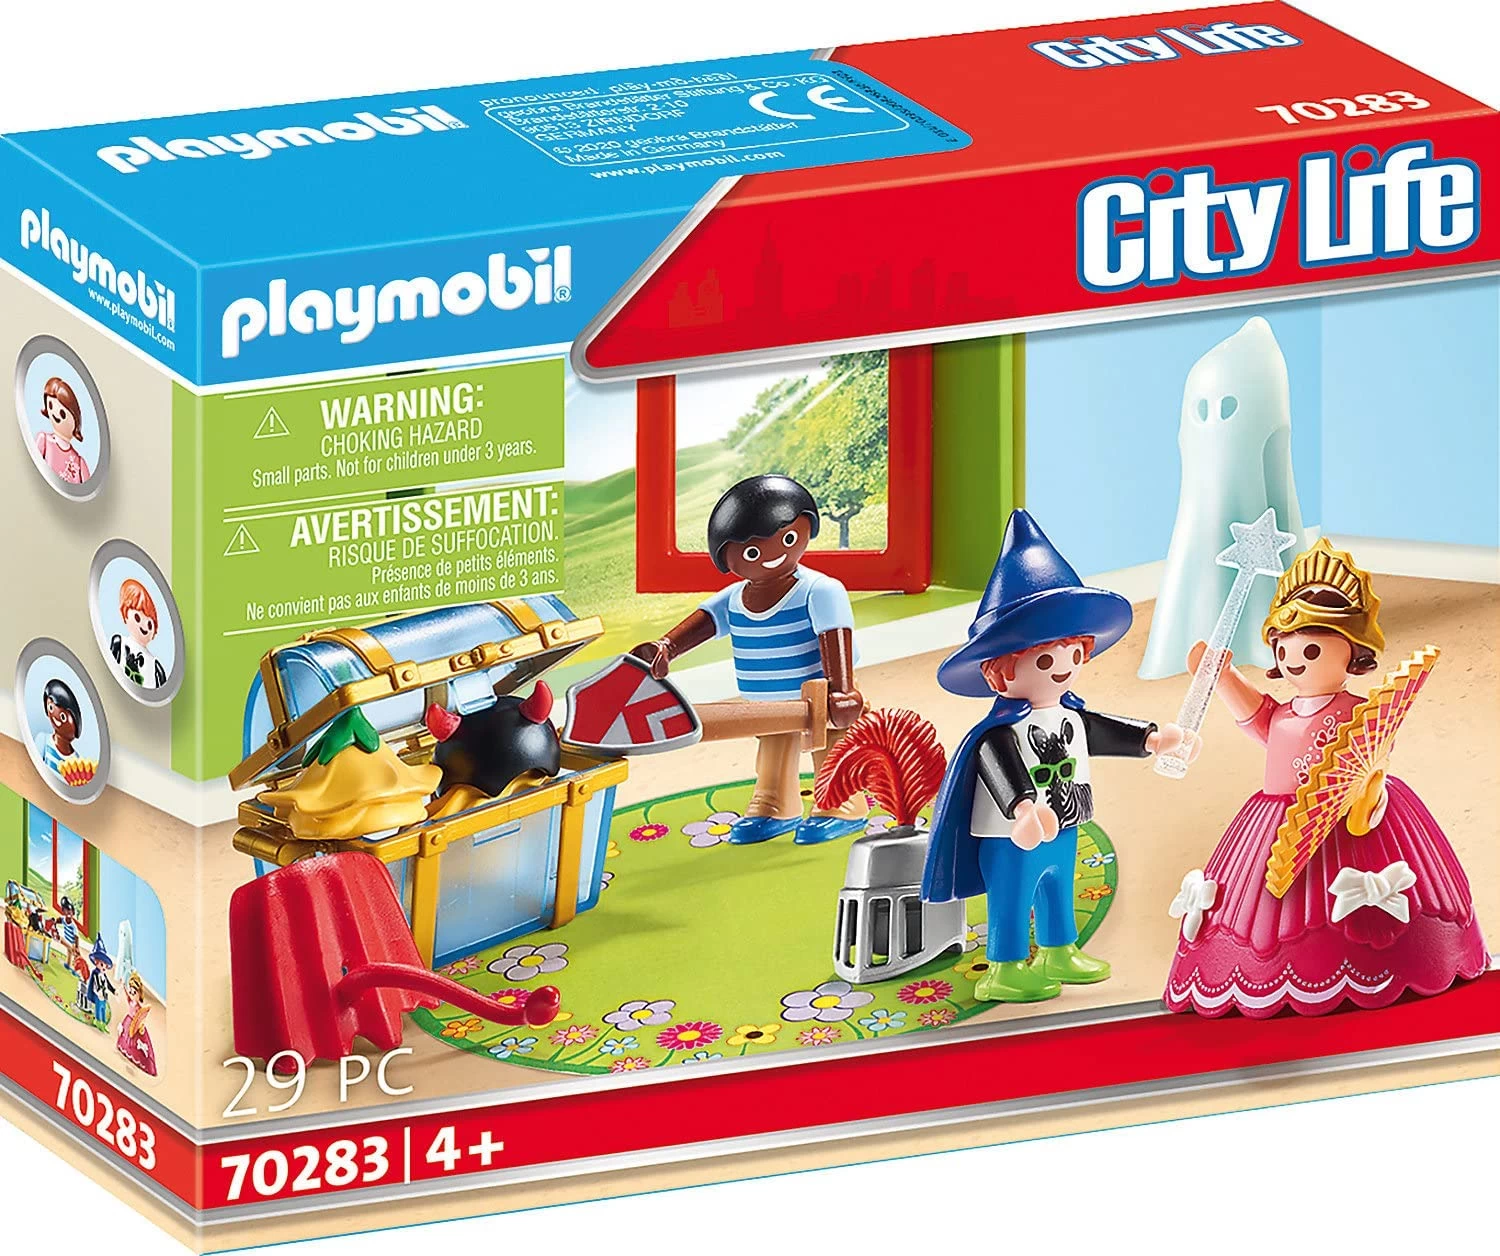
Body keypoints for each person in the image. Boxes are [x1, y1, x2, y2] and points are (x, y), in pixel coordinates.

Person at [1164, 539, 1488, 1017]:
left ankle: (1381, 967)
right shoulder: (1282, 715)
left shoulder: (1358, 712)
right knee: (1263, 910)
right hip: (1275, 821)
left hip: (1352, 814)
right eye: (1283, 648)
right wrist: (1222, 677)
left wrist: (1367, 794)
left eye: (1311, 648)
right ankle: (1266, 974)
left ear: (1351, 651)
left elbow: (1375, 749)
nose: (1293, 659)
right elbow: (1258, 716)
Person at [923, 510, 1196, 1003]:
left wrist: (1150, 738)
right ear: (1000, 672)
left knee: (1057, 887)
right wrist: (1023, 809)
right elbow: (1001, 769)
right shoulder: (999, 733)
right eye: (1046, 659)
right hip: (1013, 837)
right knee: (1013, 897)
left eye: (1074, 655)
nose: (1064, 668)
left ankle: (1058, 949)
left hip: (1066, 822)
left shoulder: (1068, 715)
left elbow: (1100, 731)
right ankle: (1005, 966)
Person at [631, 475, 868, 845]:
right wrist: (665, 648)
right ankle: (775, 803)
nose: (772, 554)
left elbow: (835, 635)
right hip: (768, 700)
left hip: (822, 693)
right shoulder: (733, 599)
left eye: (787, 538)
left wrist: (843, 690)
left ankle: (842, 802)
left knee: (831, 745)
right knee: (774, 748)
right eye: (751, 552)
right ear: (726, 558)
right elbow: (703, 623)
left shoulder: (819, 590)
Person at [110, 578, 169, 690]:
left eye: (150, 624)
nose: (144, 626)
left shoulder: (155, 666)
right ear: (125, 614)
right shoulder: (119, 643)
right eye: (137, 617)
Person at [33, 376, 91, 485]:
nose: (55, 414)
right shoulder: (44, 440)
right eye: (50, 406)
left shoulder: (79, 462)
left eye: (62, 413)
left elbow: (87, 487)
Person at [36, 679, 84, 778]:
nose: (56, 717)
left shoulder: (77, 762)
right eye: (51, 708)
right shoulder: (43, 740)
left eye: (63, 717)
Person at [115, 972, 158, 1076]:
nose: (131, 993)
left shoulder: (139, 1007)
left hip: (135, 1025)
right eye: (131, 991)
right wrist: (124, 987)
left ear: (139, 993)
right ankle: (124, 1048)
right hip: (128, 1021)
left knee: (133, 1041)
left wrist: (141, 1025)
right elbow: (127, 997)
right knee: (125, 1038)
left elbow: (141, 1017)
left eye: (134, 992)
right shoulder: (131, 1002)